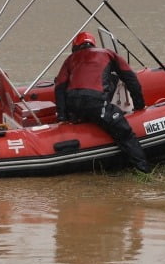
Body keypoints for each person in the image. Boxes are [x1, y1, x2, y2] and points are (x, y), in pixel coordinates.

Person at [54, 31, 151, 172]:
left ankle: (81, 120)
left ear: (75, 46)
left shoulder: (70, 59)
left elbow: (60, 87)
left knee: (107, 86)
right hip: (95, 102)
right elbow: (131, 79)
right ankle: (144, 170)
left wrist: (62, 117)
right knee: (124, 133)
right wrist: (139, 105)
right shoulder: (108, 53)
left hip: (73, 104)